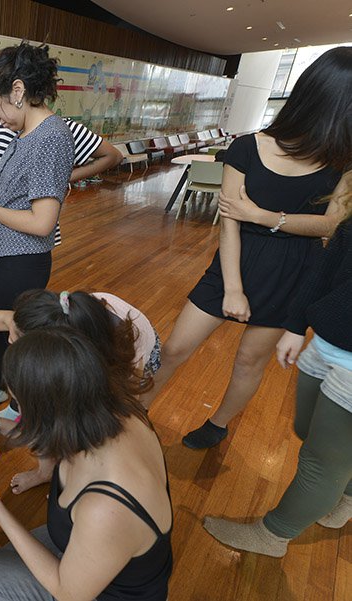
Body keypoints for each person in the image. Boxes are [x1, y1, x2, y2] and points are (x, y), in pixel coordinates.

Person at [142, 47, 350, 449]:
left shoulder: (343, 162)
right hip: (233, 261)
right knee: (175, 347)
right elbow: (230, 222)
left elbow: (330, 225)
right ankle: (137, 412)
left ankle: (218, 424)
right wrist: (233, 288)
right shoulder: (247, 147)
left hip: (294, 270)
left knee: (250, 360)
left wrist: (262, 215)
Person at [0, 330, 172, 601]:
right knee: (5, 554)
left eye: (19, 403)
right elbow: (49, 436)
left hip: (95, 593)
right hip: (92, 547)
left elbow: (69, 594)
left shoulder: (105, 508)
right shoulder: (115, 412)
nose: (20, 412)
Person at [204, 174, 352, 556]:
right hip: (328, 341)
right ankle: (347, 488)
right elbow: (327, 267)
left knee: (322, 462)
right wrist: (296, 324)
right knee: (307, 429)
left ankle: (273, 536)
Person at [0, 288, 159, 493]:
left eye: (17, 340)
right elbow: (7, 319)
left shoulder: (114, 369)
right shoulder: (53, 316)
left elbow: (58, 431)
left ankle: (47, 472)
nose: (9, 340)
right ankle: (45, 472)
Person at [0, 42, 75, 418]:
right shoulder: (25, 134)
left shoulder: (50, 138)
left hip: (21, 260)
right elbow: (15, 194)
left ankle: (19, 402)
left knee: (18, 334)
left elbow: (42, 222)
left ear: (18, 90)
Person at [0, 120, 123, 358]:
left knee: (19, 319)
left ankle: (12, 354)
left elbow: (112, 156)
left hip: (23, 246)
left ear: (19, 98)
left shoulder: (58, 131)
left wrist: (59, 178)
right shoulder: (2, 127)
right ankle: (0, 341)